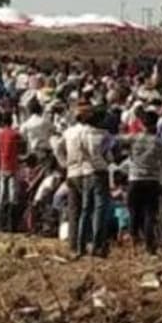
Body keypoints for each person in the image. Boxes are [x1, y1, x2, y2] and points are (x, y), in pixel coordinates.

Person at [65, 105, 110, 257]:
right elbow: (109, 156)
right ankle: (97, 245)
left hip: (82, 171)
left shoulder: (78, 133)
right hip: (99, 172)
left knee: (84, 209)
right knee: (99, 210)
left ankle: (79, 246)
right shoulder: (104, 135)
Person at [125, 108, 162, 255]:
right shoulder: (160, 143)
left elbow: (117, 144)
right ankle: (149, 246)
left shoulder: (133, 138)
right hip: (152, 180)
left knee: (133, 212)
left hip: (135, 178)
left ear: (142, 124)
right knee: (150, 213)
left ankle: (133, 242)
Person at [0, 113, 23, 232]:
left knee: (2, 195)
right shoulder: (15, 134)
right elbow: (21, 148)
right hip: (13, 167)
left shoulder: (0, 135)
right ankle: (12, 226)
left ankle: (0, 224)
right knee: (13, 196)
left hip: (2, 167)